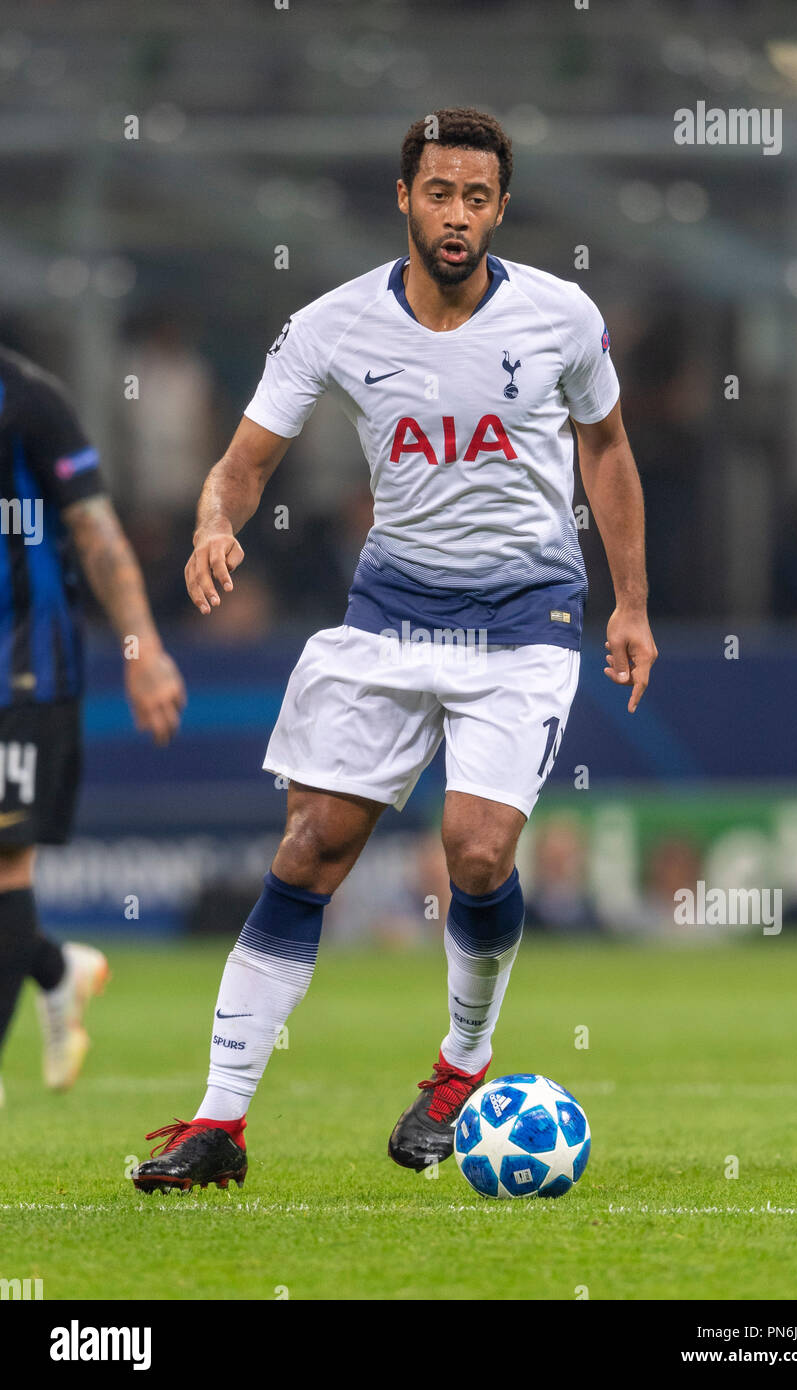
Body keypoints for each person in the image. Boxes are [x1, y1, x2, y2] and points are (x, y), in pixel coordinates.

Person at [130, 107, 656, 1193]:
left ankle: (461, 1063)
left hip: (523, 622)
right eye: (438, 193)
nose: (456, 214)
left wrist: (631, 604)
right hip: (387, 619)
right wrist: (213, 522)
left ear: (499, 208)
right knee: (310, 848)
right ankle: (218, 1124)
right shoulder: (331, 324)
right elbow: (243, 460)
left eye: (476, 197)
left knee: (474, 850)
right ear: (405, 199)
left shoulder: (560, 317)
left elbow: (604, 449)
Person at [0, 344, 185, 1106]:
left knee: (5, 860)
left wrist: (142, 652)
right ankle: (51, 967)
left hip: (23, 670)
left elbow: (95, 532)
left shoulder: (28, 400)